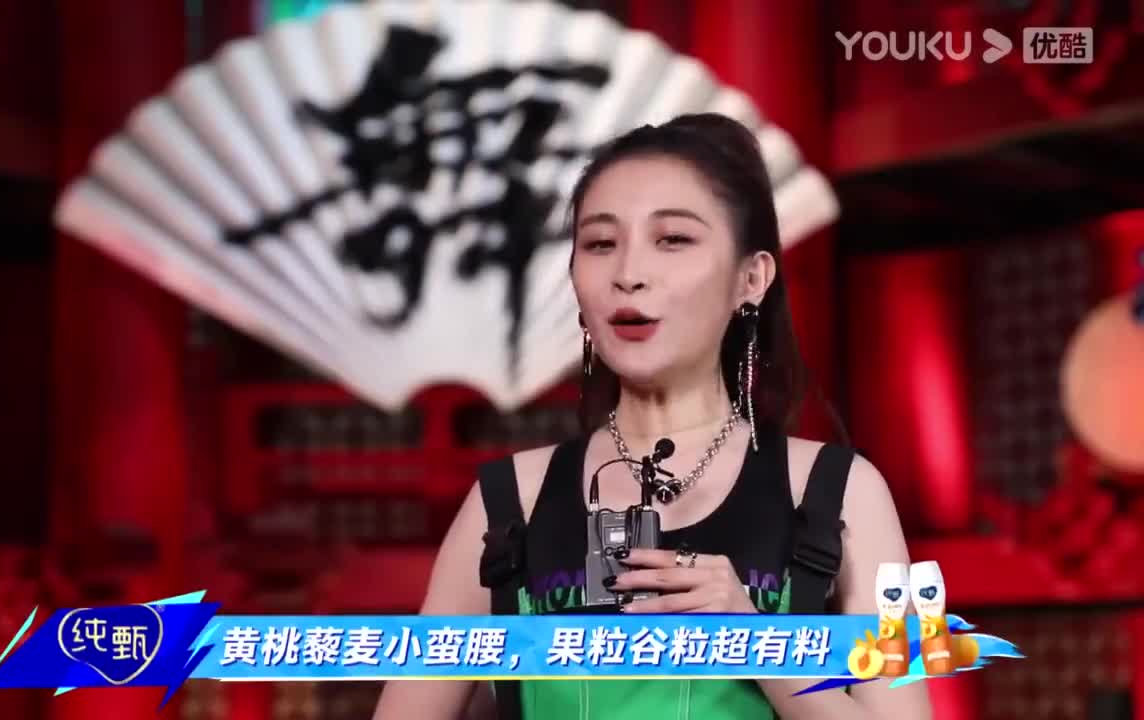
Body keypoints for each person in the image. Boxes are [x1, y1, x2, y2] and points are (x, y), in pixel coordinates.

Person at [372, 114, 933, 720]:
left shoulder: (839, 493)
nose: (628, 275)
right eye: (600, 244)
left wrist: (759, 644)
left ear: (751, 278)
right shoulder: (509, 502)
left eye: (672, 239)